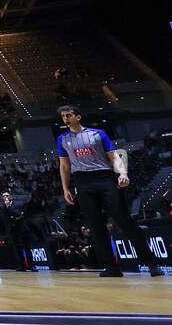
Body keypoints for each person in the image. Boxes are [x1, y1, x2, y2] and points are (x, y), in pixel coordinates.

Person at [57, 105, 164, 277]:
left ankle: (151, 263)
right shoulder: (62, 139)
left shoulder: (98, 134)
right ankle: (111, 267)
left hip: (104, 178)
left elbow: (114, 156)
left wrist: (122, 173)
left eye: (68, 115)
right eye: (63, 116)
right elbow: (64, 165)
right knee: (96, 226)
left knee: (124, 220)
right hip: (83, 183)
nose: (65, 118)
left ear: (78, 116)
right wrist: (65, 187)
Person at [0, 191, 35, 272]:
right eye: (3, 196)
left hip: (22, 229)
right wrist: (13, 216)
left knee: (27, 248)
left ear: (11, 197)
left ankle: (32, 266)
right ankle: (22, 266)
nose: (5, 197)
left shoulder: (18, 204)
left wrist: (9, 208)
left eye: (7, 195)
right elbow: (5, 219)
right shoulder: (2, 208)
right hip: (12, 230)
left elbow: (17, 213)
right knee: (17, 249)